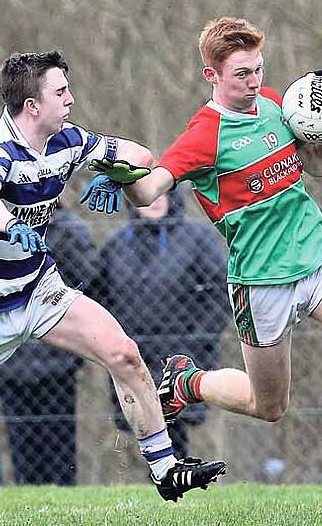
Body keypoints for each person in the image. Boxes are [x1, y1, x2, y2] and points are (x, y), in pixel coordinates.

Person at [83, 17, 322, 509]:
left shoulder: (278, 104)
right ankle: (190, 383)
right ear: (211, 75)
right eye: (241, 74)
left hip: (316, 256)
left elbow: (319, 165)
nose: (254, 82)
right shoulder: (202, 137)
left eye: (258, 69)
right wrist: (118, 170)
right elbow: (148, 190)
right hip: (261, 282)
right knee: (268, 405)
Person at [0, 50, 225, 507]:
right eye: (61, 91)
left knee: (124, 354)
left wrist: (115, 174)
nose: (71, 98)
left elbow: (139, 154)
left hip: (38, 289)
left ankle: (166, 471)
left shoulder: (67, 139)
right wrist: (9, 224)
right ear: (32, 105)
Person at [91, 189, 230, 458]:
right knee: (145, 423)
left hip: (185, 352)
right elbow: (100, 296)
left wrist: (199, 336)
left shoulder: (198, 238)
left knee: (178, 421)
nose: (154, 203)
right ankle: (164, 477)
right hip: (133, 353)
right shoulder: (117, 243)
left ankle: (183, 476)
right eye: (146, 197)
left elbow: (219, 292)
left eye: (160, 195)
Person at [0, 203, 92, 485]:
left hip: (57, 357)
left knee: (59, 439)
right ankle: (28, 492)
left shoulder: (68, 230)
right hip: (11, 356)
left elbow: (85, 281)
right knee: (20, 441)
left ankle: (63, 493)